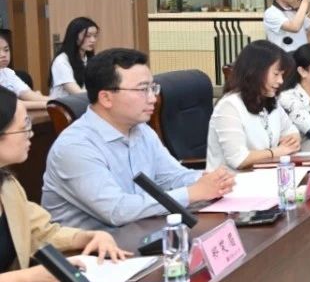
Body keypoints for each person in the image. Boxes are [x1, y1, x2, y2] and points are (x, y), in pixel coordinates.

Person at [42, 49, 236, 229]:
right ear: (106, 98)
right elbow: (116, 210)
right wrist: (191, 193)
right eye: (143, 90)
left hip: (140, 233)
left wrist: (210, 180)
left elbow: (171, 177)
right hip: (89, 249)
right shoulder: (75, 146)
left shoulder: (141, 130)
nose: (153, 98)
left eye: (153, 88)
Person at [0, 87, 130, 282]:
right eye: (24, 127)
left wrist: (89, 237)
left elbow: (41, 232)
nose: (31, 134)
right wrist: (28, 277)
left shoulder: (8, 186)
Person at [207, 40, 301, 170]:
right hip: (232, 180)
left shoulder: (270, 100)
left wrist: (293, 140)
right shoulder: (229, 106)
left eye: (282, 75)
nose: (280, 81)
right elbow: (239, 160)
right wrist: (278, 151)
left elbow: (291, 131)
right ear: (256, 71)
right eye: (276, 74)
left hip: (265, 174)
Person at [48, 16, 98, 99]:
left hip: (83, 102)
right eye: (87, 36)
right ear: (74, 36)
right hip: (64, 105)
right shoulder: (61, 61)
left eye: (95, 36)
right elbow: (77, 93)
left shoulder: (89, 59)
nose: (93, 40)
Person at [0, 29, 49, 111]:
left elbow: (27, 94)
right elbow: (12, 104)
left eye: (6, 50)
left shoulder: (7, 73)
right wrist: (52, 104)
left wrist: (57, 101)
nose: (3, 55)